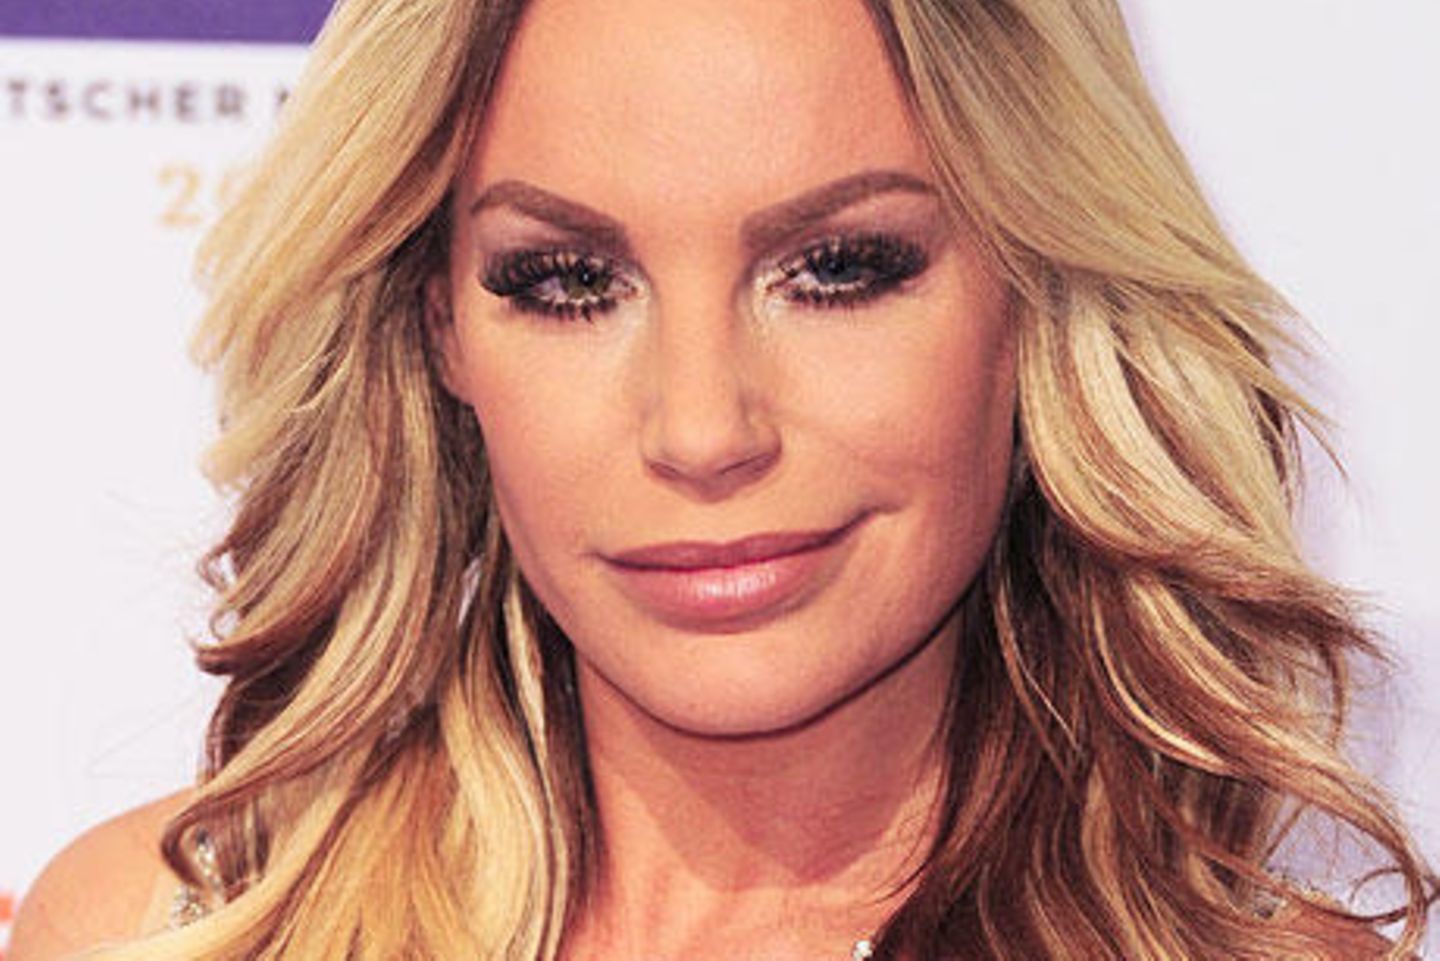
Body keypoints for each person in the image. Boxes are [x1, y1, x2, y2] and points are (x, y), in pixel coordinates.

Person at [10, 0, 1435, 958]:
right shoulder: (157, 932)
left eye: (840, 267)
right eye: (569, 280)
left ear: (1036, 291)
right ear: (437, 324)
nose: (701, 431)